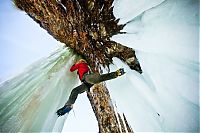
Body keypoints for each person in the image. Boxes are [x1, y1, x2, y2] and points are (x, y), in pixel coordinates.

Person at [56, 59, 125, 116]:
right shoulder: (85, 66)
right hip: (86, 83)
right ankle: (68, 105)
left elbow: (71, 69)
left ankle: (116, 73)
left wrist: (76, 64)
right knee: (75, 91)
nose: (79, 61)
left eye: (80, 61)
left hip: (87, 78)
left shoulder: (81, 64)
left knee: (98, 78)